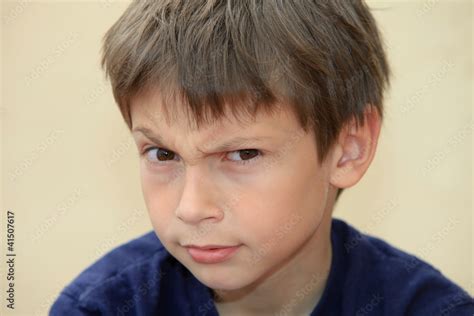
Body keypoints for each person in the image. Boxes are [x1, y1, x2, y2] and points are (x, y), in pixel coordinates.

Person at [50, 0, 474, 315]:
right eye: (163, 153)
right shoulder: (101, 307)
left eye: (242, 154)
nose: (191, 208)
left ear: (349, 148)